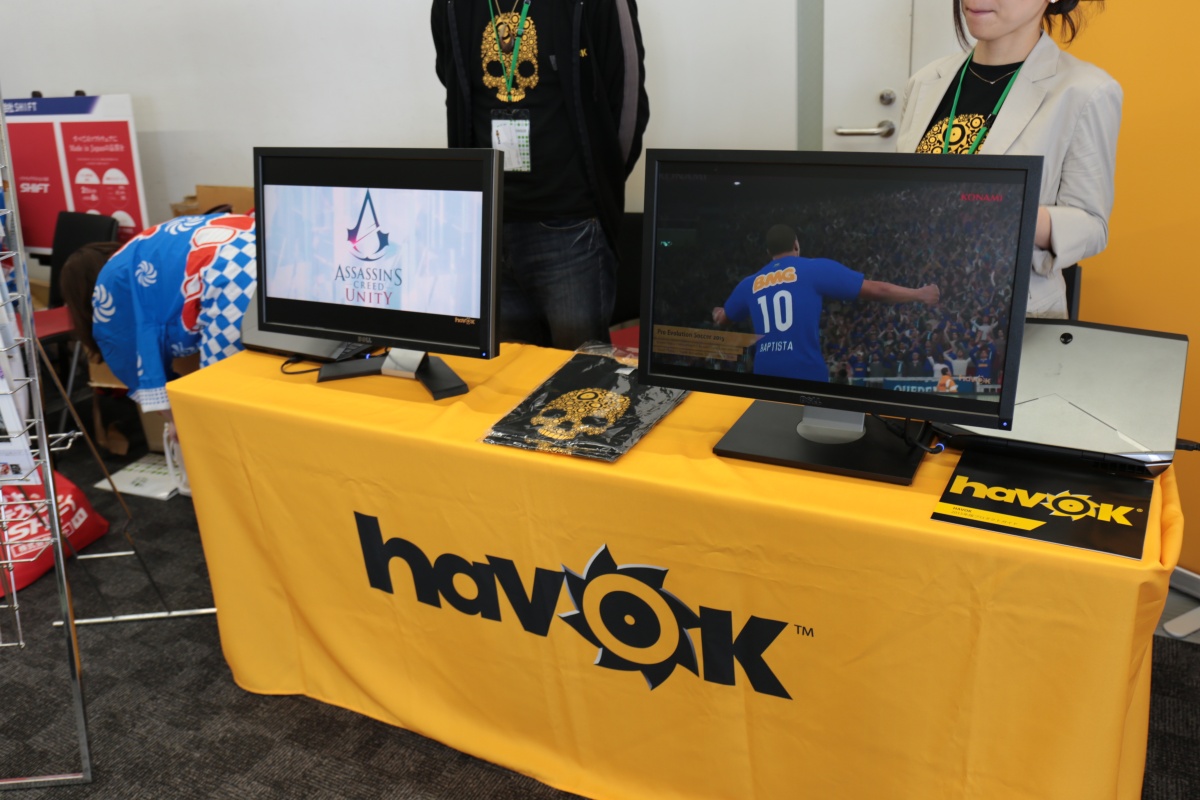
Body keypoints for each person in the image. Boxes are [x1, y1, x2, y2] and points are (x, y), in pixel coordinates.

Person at [431, 0, 649, 350]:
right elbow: (454, 82)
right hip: (487, 226)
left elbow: (627, 102)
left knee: (577, 373)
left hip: (571, 227)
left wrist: (597, 188)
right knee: (505, 375)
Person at [897, 0, 1121, 319]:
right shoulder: (925, 81)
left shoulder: (1086, 91)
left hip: (1011, 314)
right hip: (915, 301)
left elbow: (1093, 226)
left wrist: (1003, 208)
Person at [60, 213, 258, 418]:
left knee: (219, 402)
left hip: (232, 280)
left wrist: (175, 422)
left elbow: (145, 373)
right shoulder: (142, 249)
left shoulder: (111, 290)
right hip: (267, 250)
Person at [711, 224, 941, 382]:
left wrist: (718, 311)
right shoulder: (814, 269)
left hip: (765, 376)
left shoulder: (749, 283)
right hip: (806, 374)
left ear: (769, 251)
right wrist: (919, 293)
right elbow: (877, 290)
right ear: (796, 244)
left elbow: (722, 319)